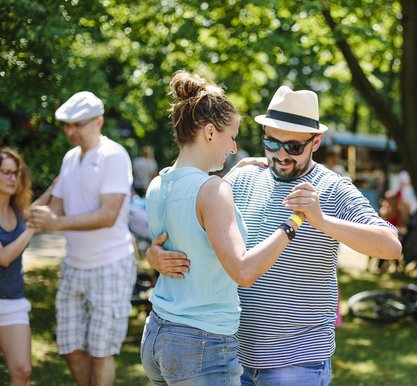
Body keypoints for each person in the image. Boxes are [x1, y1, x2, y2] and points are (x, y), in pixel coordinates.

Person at [148, 85, 402, 385]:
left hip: (296, 364)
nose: (280, 155)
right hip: (230, 355)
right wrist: (156, 255)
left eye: (293, 147)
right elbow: (191, 218)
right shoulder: (242, 176)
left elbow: (391, 246)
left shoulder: (332, 187)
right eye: (271, 143)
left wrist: (321, 220)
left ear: (315, 141)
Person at [139, 71, 304, 385]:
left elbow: (190, 211)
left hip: (158, 335)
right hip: (202, 345)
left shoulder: (158, 184)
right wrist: (293, 222)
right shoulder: (213, 190)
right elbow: (243, 271)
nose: (234, 146)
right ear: (211, 132)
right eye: (232, 135)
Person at [29, 91, 136, 386]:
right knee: (70, 348)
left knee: (102, 353)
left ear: (98, 121)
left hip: (110, 266)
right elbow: (54, 208)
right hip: (74, 266)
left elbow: (108, 215)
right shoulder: (69, 158)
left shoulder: (113, 155)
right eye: (66, 125)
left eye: (78, 124)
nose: (70, 131)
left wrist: (55, 222)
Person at [0, 148, 38, 386]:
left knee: (22, 370)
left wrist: (60, 182)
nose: (12, 178)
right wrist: (33, 229)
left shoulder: (18, 211)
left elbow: (42, 205)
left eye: (16, 173)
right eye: (5, 172)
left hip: (13, 301)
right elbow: (3, 256)